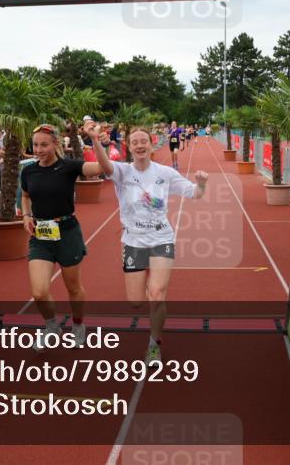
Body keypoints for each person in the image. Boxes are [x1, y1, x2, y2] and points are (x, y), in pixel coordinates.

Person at [87, 121, 208, 362]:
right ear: (129, 147)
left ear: (151, 145)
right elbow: (104, 165)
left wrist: (202, 183)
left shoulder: (165, 173)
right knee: (135, 302)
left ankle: (154, 342)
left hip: (162, 238)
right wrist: (94, 140)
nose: (140, 145)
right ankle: (146, 296)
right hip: (133, 242)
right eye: (135, 142)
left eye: (144, 141)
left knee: (157, 293)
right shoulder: (122, 172)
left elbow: (194, 193)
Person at [20, 123, 109, 350]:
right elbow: (26, 195)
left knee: (74, 288)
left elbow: (102, 167)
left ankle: (78, 324)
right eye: (35, 145)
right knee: (39, 292)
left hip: (67, 232)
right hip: (41, 235)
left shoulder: (69, 166)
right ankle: (51, 326)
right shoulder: (28, 170)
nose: (38, 149)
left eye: (44, 145)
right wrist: (27, 215)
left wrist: (95, 140)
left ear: (55, 145)